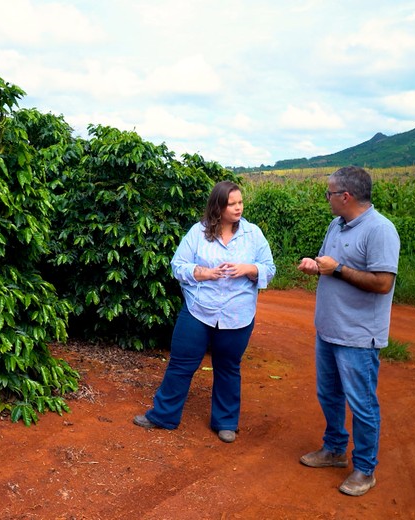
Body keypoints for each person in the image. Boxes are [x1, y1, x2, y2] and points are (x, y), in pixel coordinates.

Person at [134, 180, 275, 443]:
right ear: (217, 207)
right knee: (181, 363)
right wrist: (203, 273)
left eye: (240, 202)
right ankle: (163, 415)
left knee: (228, 367)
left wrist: (249, 269)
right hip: (199, 310)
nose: (238, 208)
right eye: (231, 204)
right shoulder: (198, 233)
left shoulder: (253, 234)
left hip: (237, 314)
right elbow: (178, 265)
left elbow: (269, 267)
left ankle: (225, 422)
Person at [296, 166, 400, 496]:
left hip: (357, 335)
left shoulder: (380, 230)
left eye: (329, 194)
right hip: (328, 329)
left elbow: (384, 283)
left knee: (361, 403)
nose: (326, 199)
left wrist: (338, 269)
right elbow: (332, 266)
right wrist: (318, 267)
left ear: (346, 196)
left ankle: (365, 470)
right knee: (329, 394)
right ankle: (334, 450)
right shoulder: (336, 224)